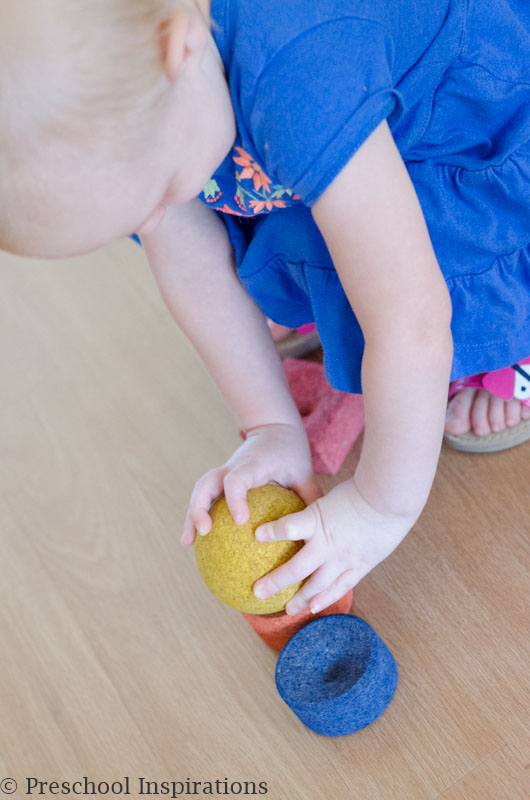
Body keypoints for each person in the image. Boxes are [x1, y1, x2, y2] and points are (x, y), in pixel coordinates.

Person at [1, 0, 528, 616]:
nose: (149, 222)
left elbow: (411, 322)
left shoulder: (301, 69)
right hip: (323, 129)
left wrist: (379, 505)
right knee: (294, 233)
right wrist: (269, 426)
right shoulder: (146, 88)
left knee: (419, 279)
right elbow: (187, 253)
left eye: (154, 197)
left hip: (474, 125)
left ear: (181, 48)